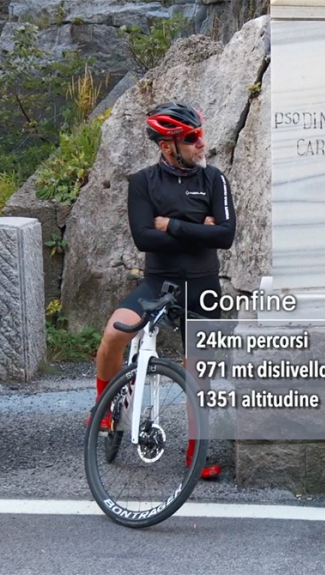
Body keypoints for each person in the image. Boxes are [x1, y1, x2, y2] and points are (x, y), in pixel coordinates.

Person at [88, 102, 236, 481]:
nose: (201, 143)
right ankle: (104, 407)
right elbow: (143, 238)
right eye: (192, 138)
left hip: (202, 286)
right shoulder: (143, 182)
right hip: (159, 281)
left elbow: (225, 235)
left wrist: (171, 225)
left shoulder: (214, 179)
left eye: (200, 134)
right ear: (167, 146)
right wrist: (199, 229)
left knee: (198, 371)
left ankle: (195, 452)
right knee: (113, 334)